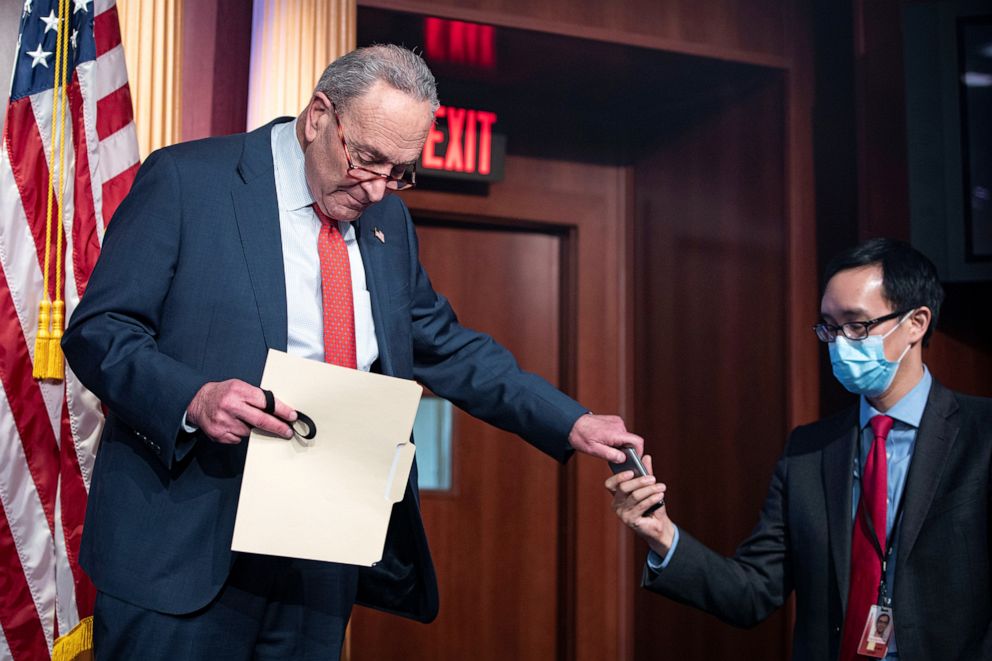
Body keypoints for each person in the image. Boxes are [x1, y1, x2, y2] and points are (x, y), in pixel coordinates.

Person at [63, 44, 641, 660]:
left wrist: (572, 420)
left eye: (400, 171)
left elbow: (448, 348)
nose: (376, 189)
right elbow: (101, 330)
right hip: (184, 547)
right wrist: (194, 398)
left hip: (320, 556)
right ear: (318, 118)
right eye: (366, 159)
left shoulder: (389, 228)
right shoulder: (188, 180)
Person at [606, 238, 991, 660]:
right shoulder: (809, 450)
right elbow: (753, 591)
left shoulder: (981, 434)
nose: (841, 343)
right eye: (829, 327)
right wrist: (663, 535)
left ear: (916, 323)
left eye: (857, 326)